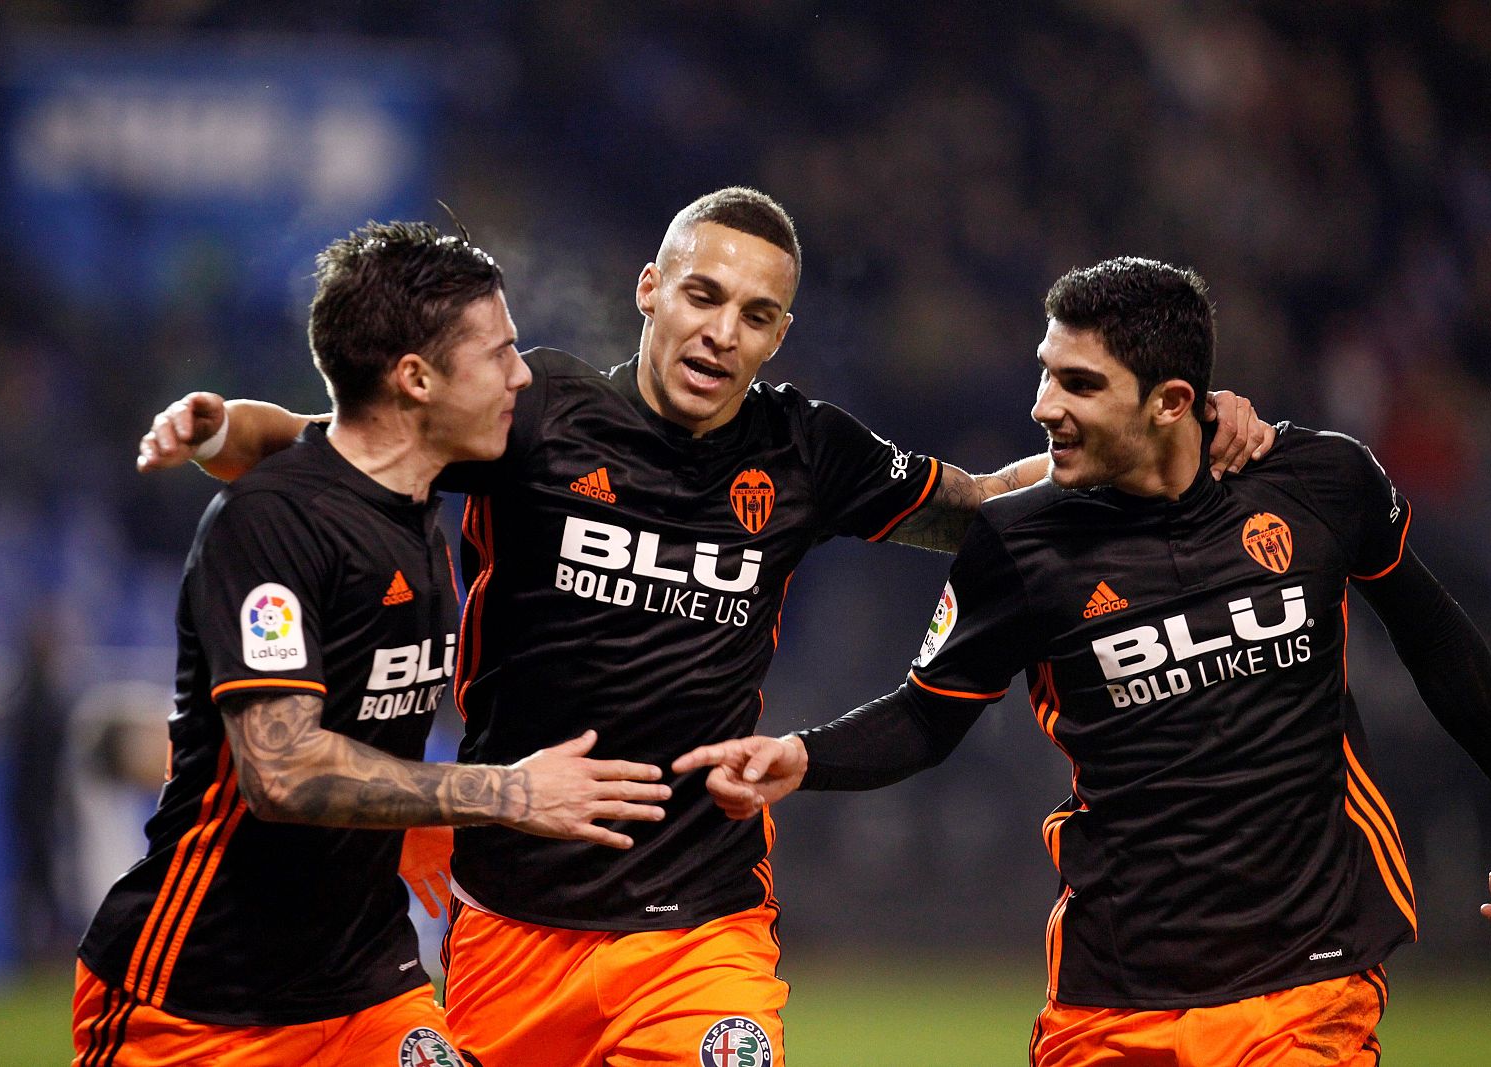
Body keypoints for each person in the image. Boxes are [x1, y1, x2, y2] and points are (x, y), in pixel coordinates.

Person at [137, 191, 1272, 1067]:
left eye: (757, 313)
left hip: (701, 920)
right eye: (702, 296)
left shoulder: (805, 449)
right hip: (510, 915)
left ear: (780, 331)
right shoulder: (533, 414)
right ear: (649, 289)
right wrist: (223, 426)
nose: (722, 331)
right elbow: (360, 435)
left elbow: (977, 506)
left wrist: (1168, 425)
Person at [675, 256, 1491, 1066]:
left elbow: (1439, 644)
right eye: (1046, 373)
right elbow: (929, 713)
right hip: (1112, 995)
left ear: (1172, 401)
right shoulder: (1020, 544)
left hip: (1308, 979)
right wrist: (804, 755)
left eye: (1079, 384)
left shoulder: (1322, 482)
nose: (1043, 405)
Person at [74, 220, 671, 1067]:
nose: (522, 374)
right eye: (499, 353)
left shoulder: (416, 502)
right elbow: (282, 771)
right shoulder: (272, 523)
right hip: (197, 999)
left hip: (362, 985)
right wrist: (503, 793)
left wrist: (415, 815)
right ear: (416, 378)